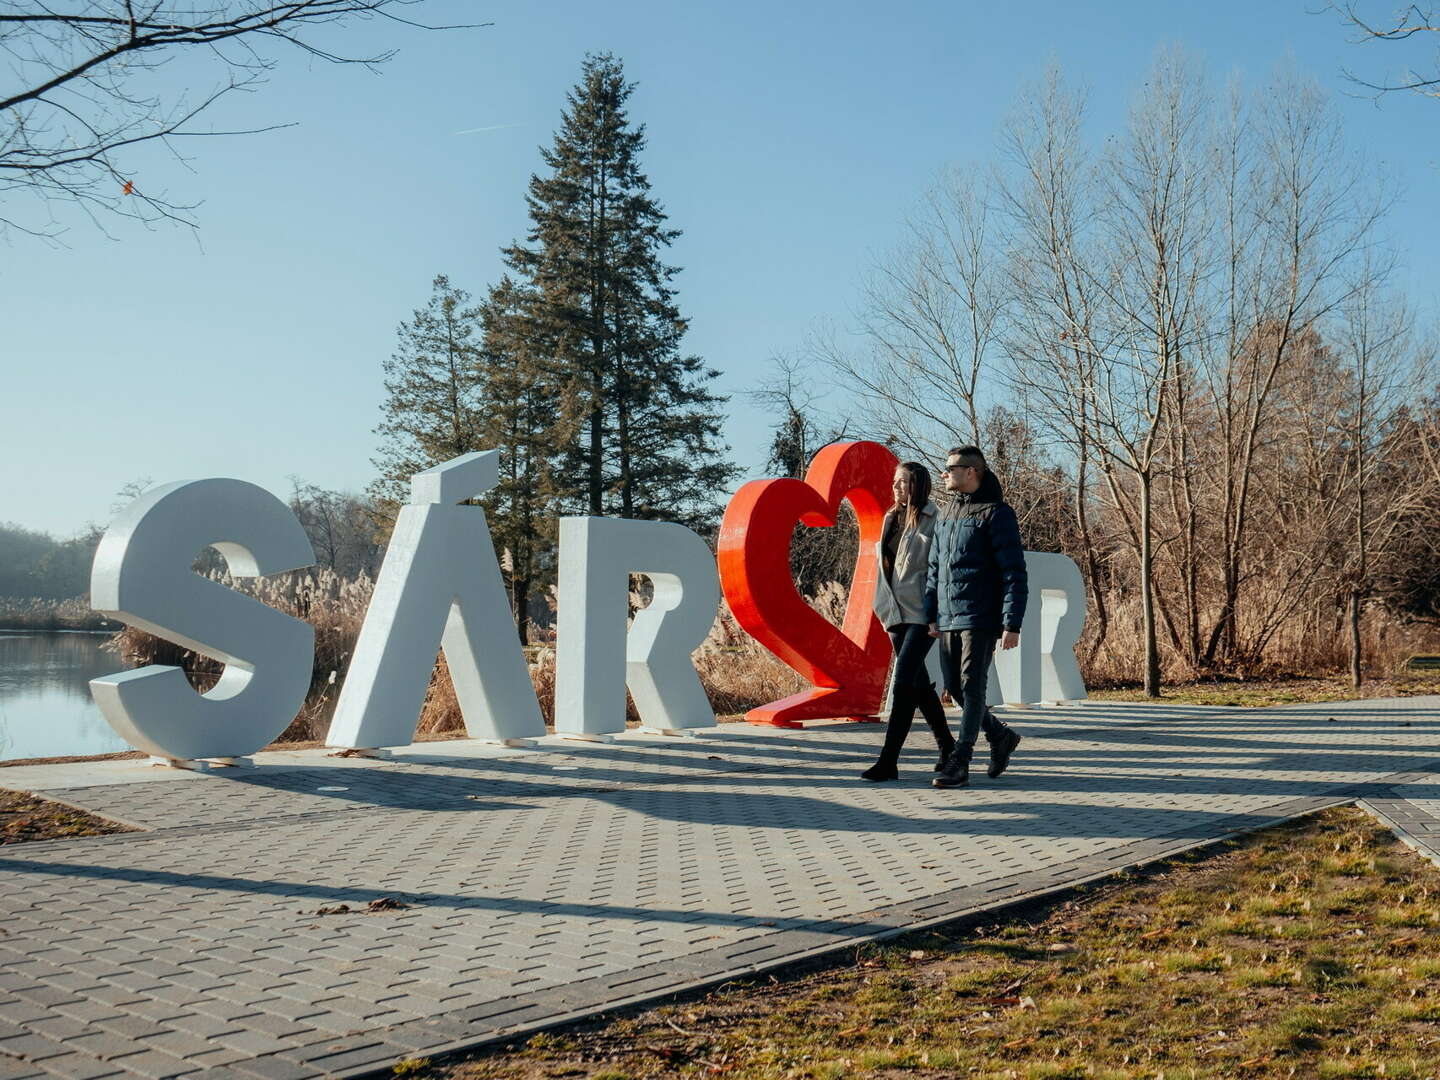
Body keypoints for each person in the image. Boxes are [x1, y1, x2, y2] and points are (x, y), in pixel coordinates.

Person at [925, 446, 1026, 789]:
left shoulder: (997, 514)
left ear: (972, 472)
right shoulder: (947, 513)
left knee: (972, 686)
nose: (945, 474)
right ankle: (1000, 736)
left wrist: (1011, 623)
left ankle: (960, 760)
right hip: (949, 616)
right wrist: (931, 613)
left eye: (950, 468)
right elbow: (935, 568)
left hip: (981, 616)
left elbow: (1014, 572)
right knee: (953, 687)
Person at [861, 462, 955, 781]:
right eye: (894, 481)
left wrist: (936, 613)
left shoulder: (935, 519)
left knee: (902, 683)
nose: (897, 487)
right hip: (894, 612)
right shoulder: (890, 518)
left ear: (918, 485)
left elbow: (943, 571)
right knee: (919, 685)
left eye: (903, 482)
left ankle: (888, 761)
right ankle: (948, 747)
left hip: (921, 613)